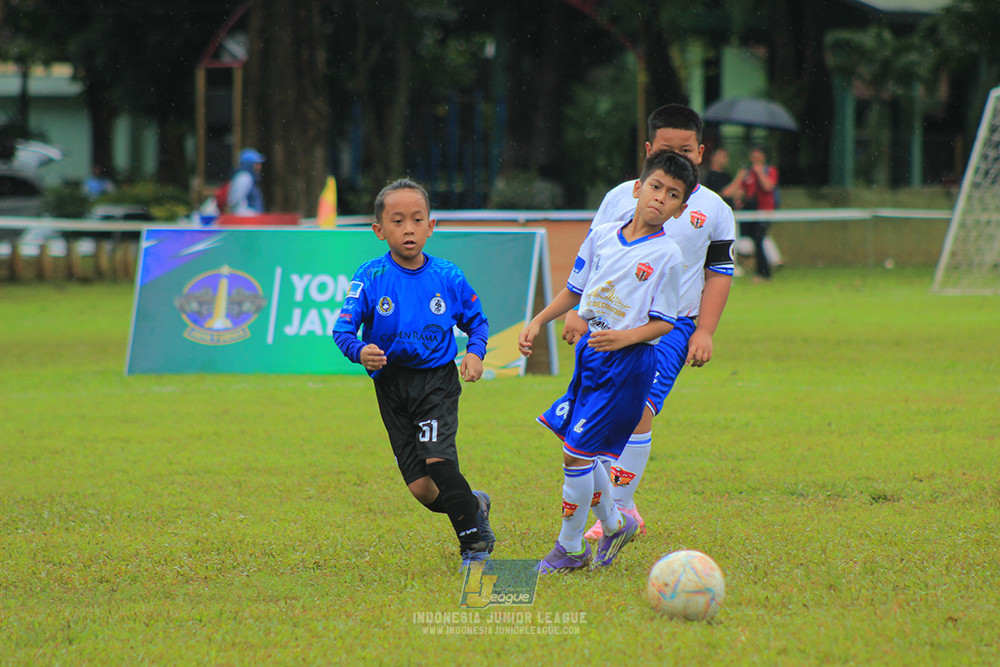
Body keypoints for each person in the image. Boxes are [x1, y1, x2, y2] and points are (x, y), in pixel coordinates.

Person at [554, 104, 736, 541]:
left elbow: (719, 274)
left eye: (687, 150)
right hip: (609, 326)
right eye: (668, 150)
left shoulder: (714, 210)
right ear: (649, 150)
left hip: (670, 327)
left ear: (701, 152)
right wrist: (579, 312)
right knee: (600, 416)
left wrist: (705, 331)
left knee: (638, 411)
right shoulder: (620, 197)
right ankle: (616, 512)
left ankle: (620, 508)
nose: (679, 158)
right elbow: (595, 256)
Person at [518, 150, 696, 574]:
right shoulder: (601, 236)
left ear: (680, 208)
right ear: (637, 189)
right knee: (583, 454)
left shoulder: (668, 255)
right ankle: (615, 524)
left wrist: (625, 337)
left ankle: (571, 547)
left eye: (672, 195)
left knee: (574, 455)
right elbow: (576, 290)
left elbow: (664, 323)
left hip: (629, 365)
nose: (659, 199)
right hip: (590, 359)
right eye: (655, 187)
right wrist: (539, 320)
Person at [332, 178, 495, 570]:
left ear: (430, 226)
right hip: (391, 385)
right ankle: (474, 505)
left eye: (417, 220)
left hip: (436, 381)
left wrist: (475, 353)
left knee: (439, 462)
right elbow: (341, 330)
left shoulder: (448, 276)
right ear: (379, 230)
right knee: (423, 489)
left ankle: (475, 549)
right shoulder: (370, 277)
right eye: (398, 220)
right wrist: (361, 352)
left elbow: (478, 322)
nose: (408, 228)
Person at [734, 146, 779, 282]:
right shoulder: (747, 173)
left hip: (764, 211)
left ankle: (764, 272)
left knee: (760, 238)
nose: (755, 160)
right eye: (753, 156)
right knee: (753, 240)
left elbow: (768, 186)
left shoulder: (769, 171)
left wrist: (759, 172)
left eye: (758, 156)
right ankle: (762, 268)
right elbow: (742, 191)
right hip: (750, 211)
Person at [227, 148, 266, 215]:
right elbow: (236, 202)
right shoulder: (244, 178)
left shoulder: (250, 178)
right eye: (256, 164)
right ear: (249, 164)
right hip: (247, 220)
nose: (259, 167)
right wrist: (251, 215)